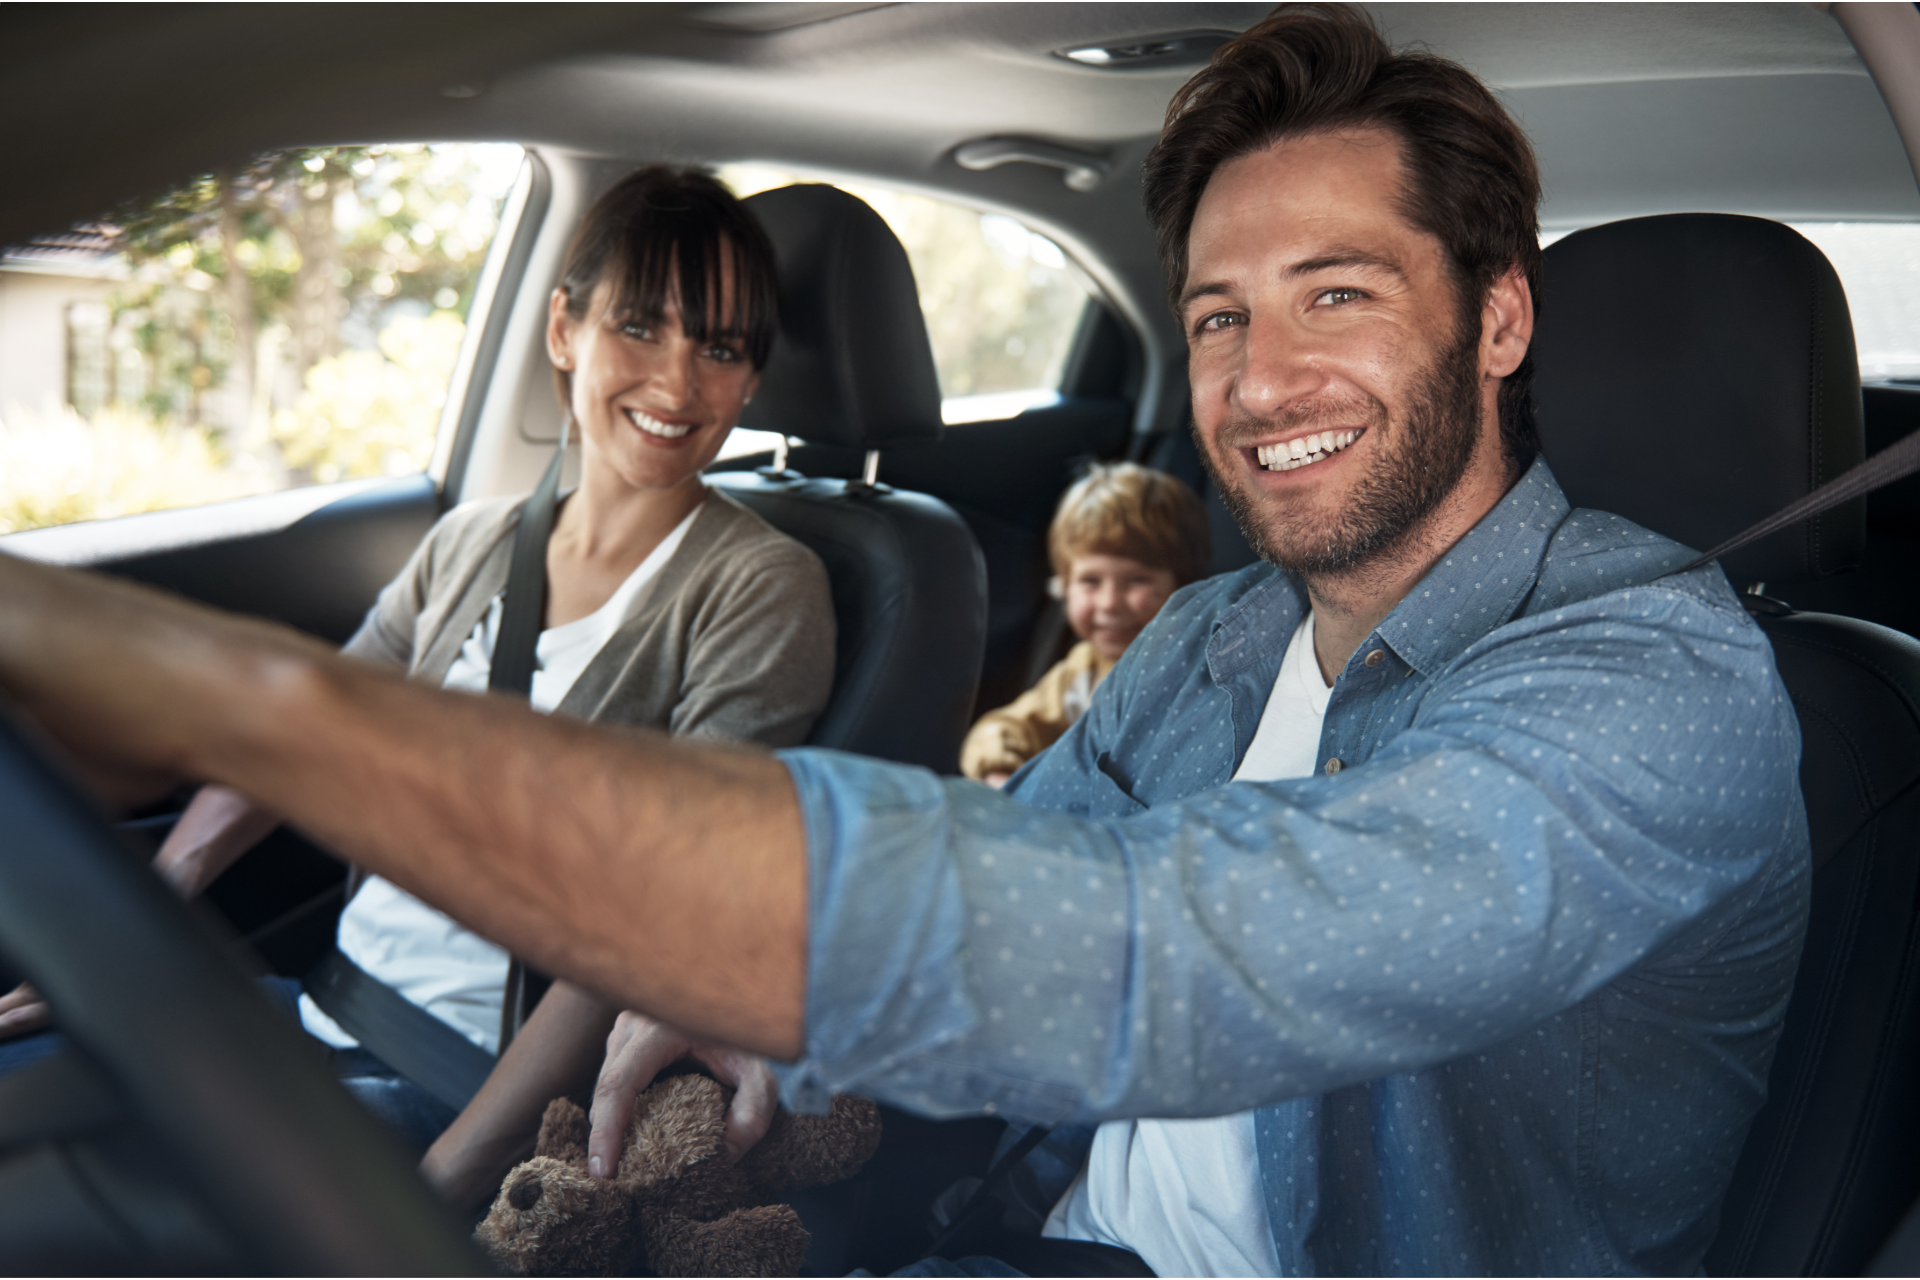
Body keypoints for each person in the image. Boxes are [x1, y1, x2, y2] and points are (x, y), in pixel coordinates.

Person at [0, 6, 1810, 1275]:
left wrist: (248, 700)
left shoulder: (1663, 686)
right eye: (1220, 318)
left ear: (1499, 322)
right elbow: (1021, 857)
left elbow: (1159, 948)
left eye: (1339, 296)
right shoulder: (1209, 639)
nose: (1260, 386)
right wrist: (752, 1022)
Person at [0, 165, 835, 1215]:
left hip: (454, 1091)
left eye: (719, 348)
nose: (677, 382)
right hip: (309, 1013)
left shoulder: (762, 585)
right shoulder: (473, 541)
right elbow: (301, 727)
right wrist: (149, 903)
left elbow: (657, 919)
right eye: (641, 328)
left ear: (751, 378)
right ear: (563, 327)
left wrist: (440, 1193)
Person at [960, 463, 1207, 789]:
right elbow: (1005, 728)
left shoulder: (1200, 663)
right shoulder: (1083, 669)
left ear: (1183, 585)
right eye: (1090, 581)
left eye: (1137, 581)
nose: (1108, 603)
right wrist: (1000, 774)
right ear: (1063, 586)